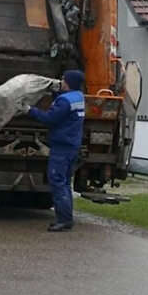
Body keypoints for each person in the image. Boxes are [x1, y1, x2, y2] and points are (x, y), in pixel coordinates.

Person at [25, 70, 85, 232]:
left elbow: (50, 118)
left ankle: (64, 219)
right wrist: (55, 94)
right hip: (71, 145)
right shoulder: (78, 96)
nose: (61, 81)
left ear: (69, 83)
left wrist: (29, 110)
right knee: (65, 183)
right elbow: (65, 109)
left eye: (64, 80)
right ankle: (67, 218)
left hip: (61, 146)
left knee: (57, 181)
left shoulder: (65, 101)